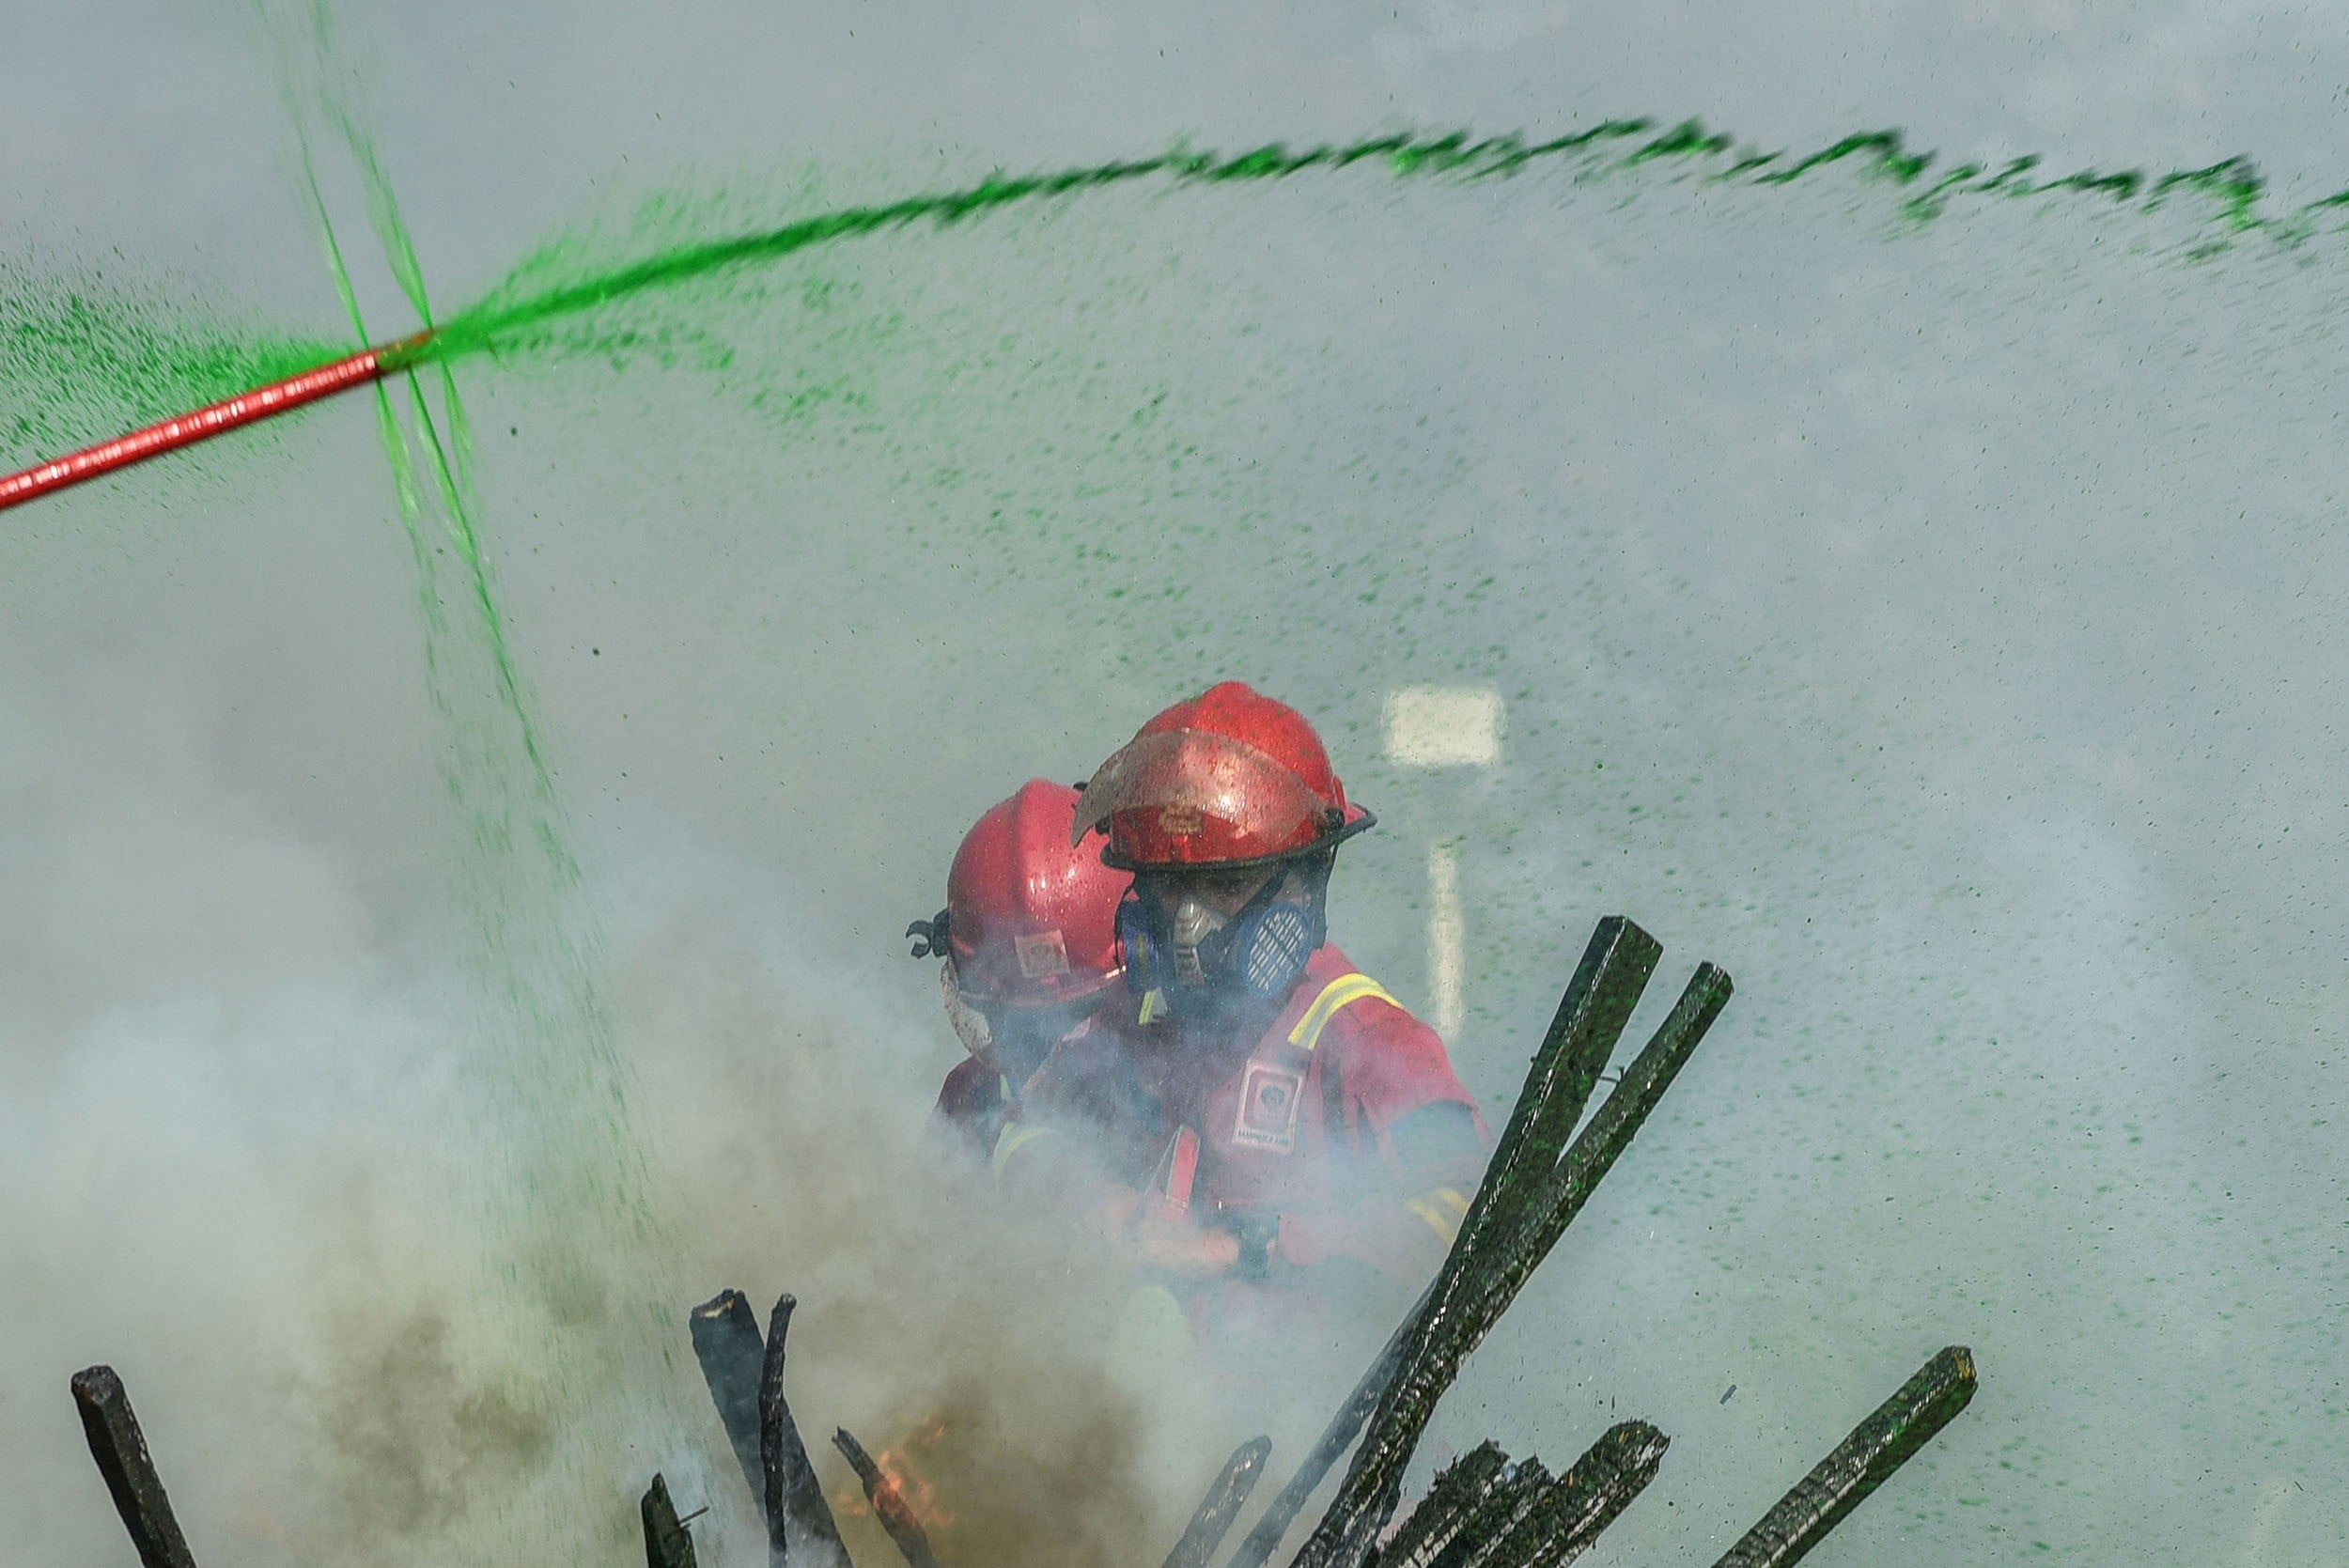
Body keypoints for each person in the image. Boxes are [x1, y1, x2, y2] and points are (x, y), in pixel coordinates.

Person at [1003, 682, 1487, 1331]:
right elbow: (1012, 1131)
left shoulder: (1368, 1038)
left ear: (1306, 880)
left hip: (1309, 1415)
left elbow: (1470, 1218)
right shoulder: (1138, 1021)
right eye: (1169, 887)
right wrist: (1102, 1211)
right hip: (1141, 1417)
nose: (1187, 924)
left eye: (1226, 884)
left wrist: (1257, 1246)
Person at [908, 779, 1132, 1160]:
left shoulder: (1196, 1086)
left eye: (1076, 1020)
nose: (1045, 1065)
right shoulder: (966, 1099)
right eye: (1022, 1032)